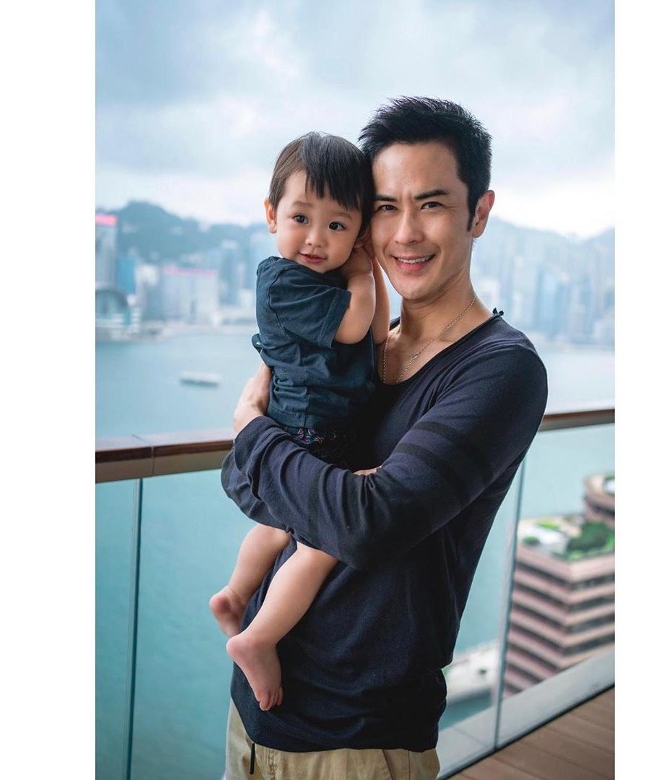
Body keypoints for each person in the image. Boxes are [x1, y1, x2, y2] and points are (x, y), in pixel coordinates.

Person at [221, 97, 549, 780]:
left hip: (358, 743)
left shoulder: (500, 371)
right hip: (253, 718)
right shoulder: (364, 354)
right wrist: (287, 471)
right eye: (385, 207)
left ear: (479, 212)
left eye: (431, 205)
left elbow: (368, 524)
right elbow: (245, 486)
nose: (404, 233)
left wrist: (252, 430)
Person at [209, 131, 390, 713]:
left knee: (279, 528)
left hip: (316, 431)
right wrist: (361, 275)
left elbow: (376, 335)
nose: (316, 238)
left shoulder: (331, 280)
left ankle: (235, 596)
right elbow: (355, 326)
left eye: (337, 225)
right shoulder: (283, 280)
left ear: (358, 231)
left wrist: (369, 273)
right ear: (271, 215)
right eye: (301, 218)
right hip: (311, 434)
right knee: (321, 542)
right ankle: (257, 637)